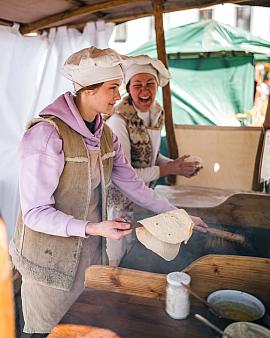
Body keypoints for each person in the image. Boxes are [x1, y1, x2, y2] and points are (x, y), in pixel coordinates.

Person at [9, 47, 207, 337]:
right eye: (113, 87)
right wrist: (93, 226)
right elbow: (35, 214)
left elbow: (133, 184)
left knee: (83, 324)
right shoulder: (46, 135)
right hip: (49, 259)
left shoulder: (105, 135)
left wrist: (177, 215)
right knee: (49, 331)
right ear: (87, 91)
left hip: (90, 253)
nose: (119, 94)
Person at [106, 55, 203, 266]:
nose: (144, 90)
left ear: (157, 86)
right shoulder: (117, 121)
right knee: (116, 258)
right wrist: (169, 169)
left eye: (150, 84)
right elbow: (126, 174)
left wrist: (177, 166)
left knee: (136, 251)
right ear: (128, 89)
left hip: (143, 198)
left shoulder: (156, 113)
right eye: (137, 85)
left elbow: (151, 156)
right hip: (119, 203)